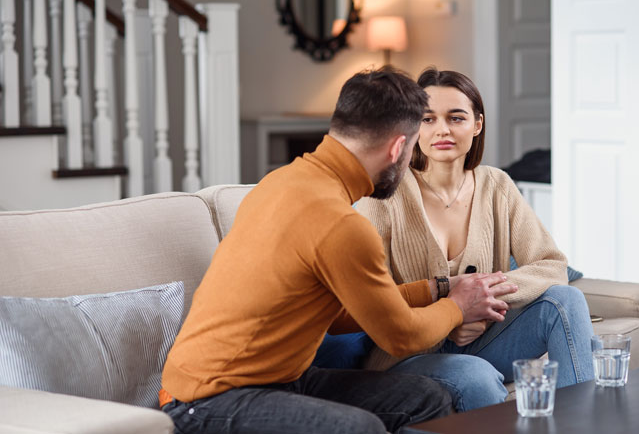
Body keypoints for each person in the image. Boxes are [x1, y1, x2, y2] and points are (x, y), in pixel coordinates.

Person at [158, 67, 519, 434]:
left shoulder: (280, 181)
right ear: (398, 147)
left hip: (279, 381)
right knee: (358, 428)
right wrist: (457, 306)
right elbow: (401, 337)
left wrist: (440, 287)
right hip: (204, 400)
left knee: (425, 398)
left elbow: (339, 315)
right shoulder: (340, 224)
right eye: (412, 147)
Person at [355, 67, 595, 413]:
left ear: (477, 124)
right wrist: (451, 314)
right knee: (477, 376)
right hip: (408, 352)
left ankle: (584, 423)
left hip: (485, 335)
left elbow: (551, 264)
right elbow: (370, 299)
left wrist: (481, 299)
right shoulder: (382, 196)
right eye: (427, 119)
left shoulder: (497, 186)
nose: (443, 130)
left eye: (456, 117)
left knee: (565, 301)